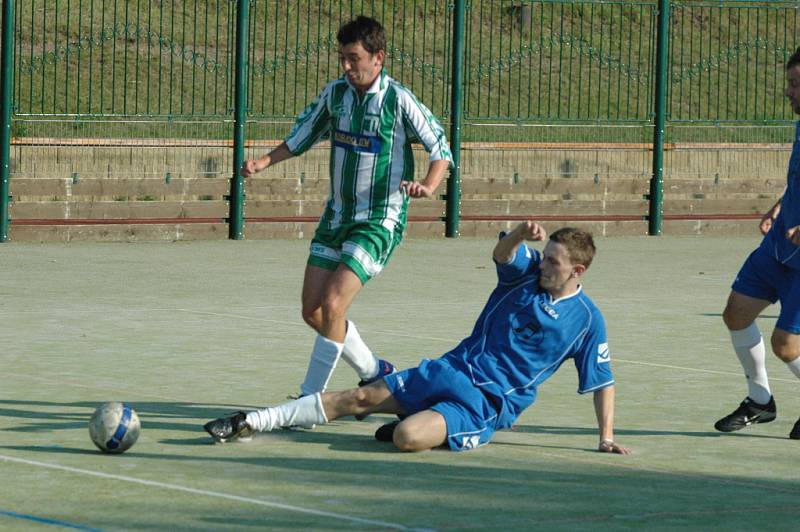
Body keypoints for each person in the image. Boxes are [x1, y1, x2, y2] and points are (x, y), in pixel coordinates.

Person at [204, 222, 631, 454]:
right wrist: (520, 233)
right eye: (545, 256)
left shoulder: (588, 321)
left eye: (553, 262)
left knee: (408, 438)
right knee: (358, 400)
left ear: (577, 271)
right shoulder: (523, 274)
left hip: (487, 402)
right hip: (451, 368)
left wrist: (605, 437)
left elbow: (603, 382)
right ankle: (251, 420)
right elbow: (502, 253)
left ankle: (408, 415)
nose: (543, 266)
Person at [240, 16, 452, 398]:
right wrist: (263, 162)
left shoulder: (398, 100)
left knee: (334, 303)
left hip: (378, 220)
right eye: (342, 58)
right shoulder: (336, 94)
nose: (347, 66)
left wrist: (428, 185)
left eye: (354, 58)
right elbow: (302, 136)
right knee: (314, 312)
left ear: (378, 58)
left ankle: (309, 400)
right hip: (336, 217)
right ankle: (375, 371)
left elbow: (441, 148)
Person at [714, 47, 800, 440]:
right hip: (779, 249)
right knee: (736, 314)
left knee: (787, 344)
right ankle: (760, 401)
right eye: (790, 83)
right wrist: (780, 206)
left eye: (797, 84)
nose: (789, 92)